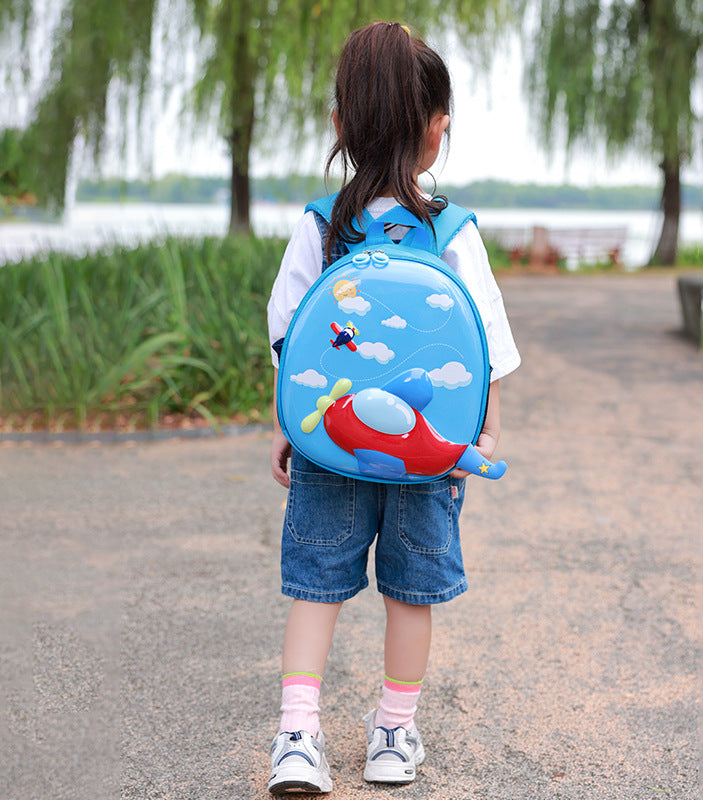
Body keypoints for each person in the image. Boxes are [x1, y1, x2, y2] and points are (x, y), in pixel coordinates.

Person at [266, 21, 520, 795]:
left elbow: (287, 336)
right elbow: (486, 345)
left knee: (317, 585)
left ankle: (298, 735)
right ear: (435, 133)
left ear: (341, 125)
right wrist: (482, 427)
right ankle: (392, 734)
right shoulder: (452, 232)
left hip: (329, 444)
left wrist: (285, 426)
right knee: (411, 595)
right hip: (426, 448)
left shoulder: (321, 224)